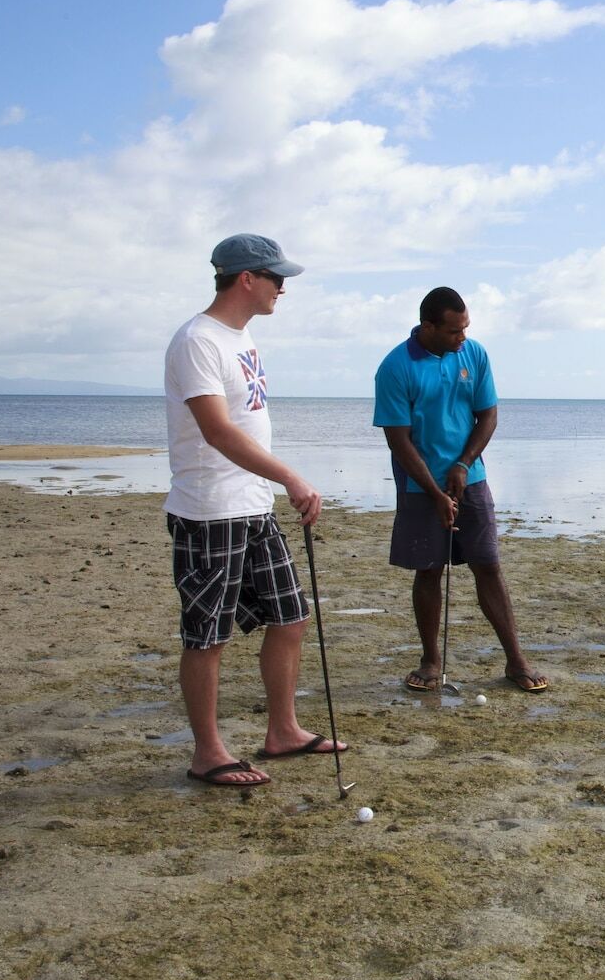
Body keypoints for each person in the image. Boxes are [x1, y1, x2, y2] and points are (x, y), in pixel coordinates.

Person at [162, 234, 340, 789]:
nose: (282, 287)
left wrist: (273, 484)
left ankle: (282, 730)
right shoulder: (197, 341)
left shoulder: (243, 339)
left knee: (291, 616)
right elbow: (216, 431)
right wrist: (288, 475)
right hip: (209, 509)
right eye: (275, 277)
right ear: (246, 278)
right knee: (207, 634)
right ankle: (207, 752)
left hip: (252, 505)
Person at [373, 287, 549, 694]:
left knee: (488, 564)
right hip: (419, 487)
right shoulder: (395, 367)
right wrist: (434, 491)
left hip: (471, 479)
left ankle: (515, 659)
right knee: (429, 569)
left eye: (466, 328)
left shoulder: (475, 354)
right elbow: (398, 439)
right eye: (454, 331)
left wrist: (464, 463)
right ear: (428, 326)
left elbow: (487, 414)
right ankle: (431, 661)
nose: (462, 338)